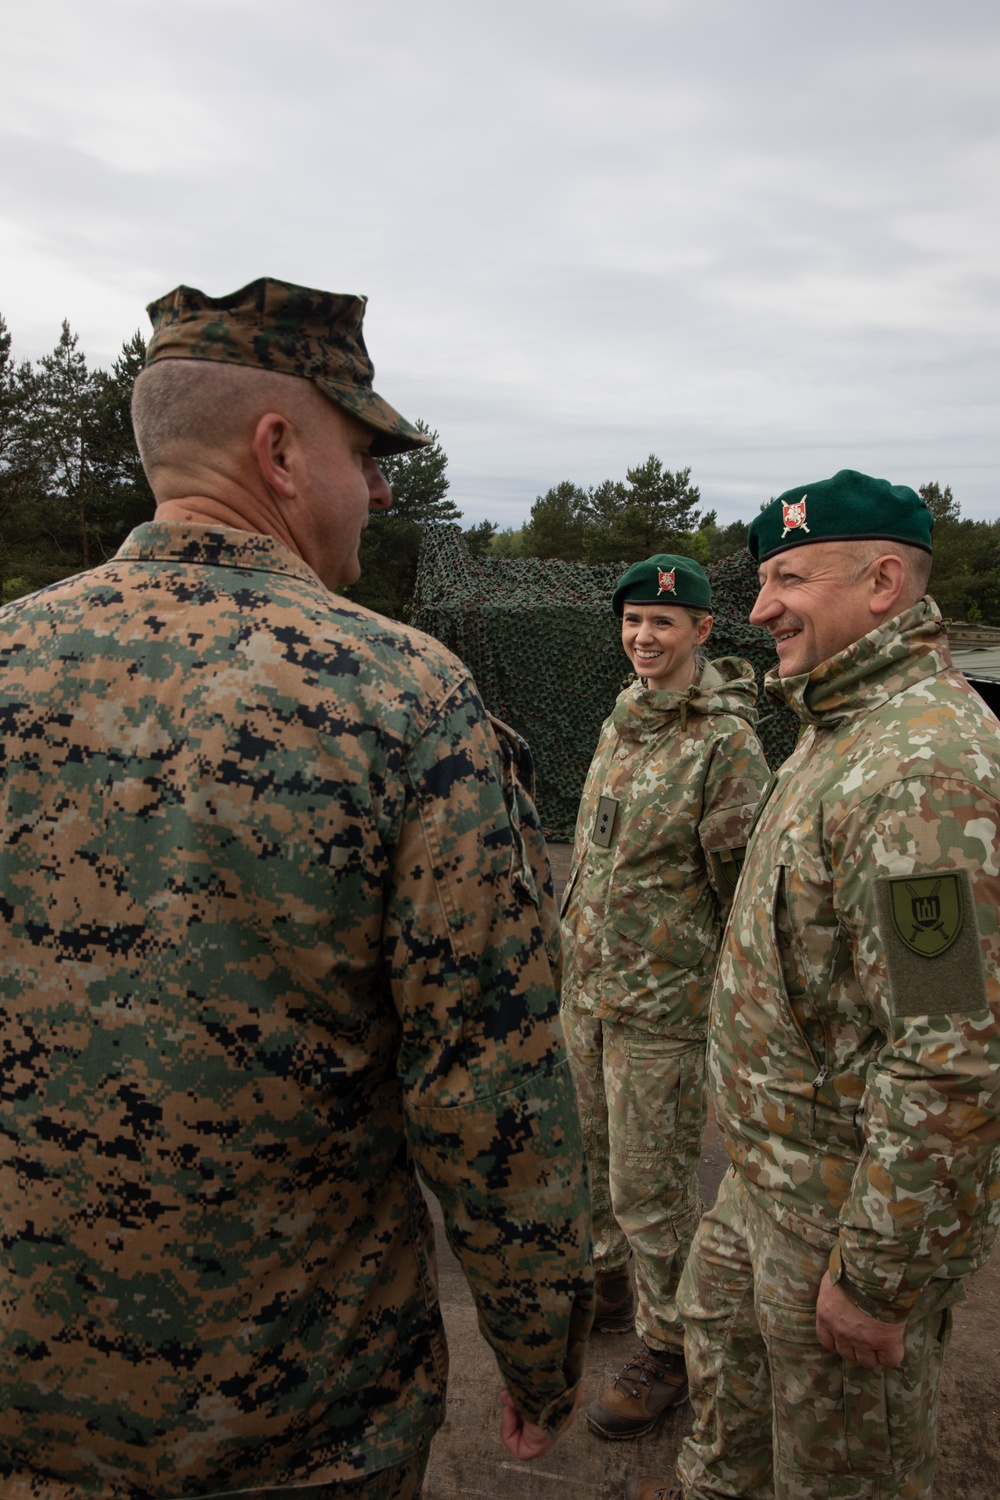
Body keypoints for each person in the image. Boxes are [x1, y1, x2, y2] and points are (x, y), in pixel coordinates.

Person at [0, 277, 594, 1499]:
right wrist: (538, 1348)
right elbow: (488, 1087)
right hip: (300, 1426)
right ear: (279, 450)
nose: (380, 489)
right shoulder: (404, 698)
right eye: (364, 452)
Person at [630, 470, 1000, 1500]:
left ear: (881, 581)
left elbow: (950, 1051)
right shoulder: (838, 729)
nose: (756, 611)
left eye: (787, 578)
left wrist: (880, 1276)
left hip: (837, 1224)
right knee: (726, 1460)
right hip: (764, 1191)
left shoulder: (923, 769)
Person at [559, 554, 769, 1441]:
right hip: (592, 992)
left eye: (663, 624)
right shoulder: (625, 718)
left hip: (662, 1010)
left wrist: (726, 1011)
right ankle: (608, 1286)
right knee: (594, 1165)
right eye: (633, 621)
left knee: (653, 1191)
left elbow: (740, 894)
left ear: (702, 632)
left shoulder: (726, 743)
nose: (644, 637)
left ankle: (670, 1348)